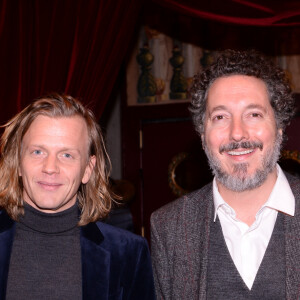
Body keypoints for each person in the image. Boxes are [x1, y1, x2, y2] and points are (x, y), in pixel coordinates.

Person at [151, 50, 300, 299]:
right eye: (220, 117)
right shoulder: (169, 227)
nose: (237, 134)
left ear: (280, 127)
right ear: (202, 134)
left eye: (253, 114)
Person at [0, 94, 156, 300]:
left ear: (87, 169)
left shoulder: (128, 254)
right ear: (18, 161)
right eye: (38, 152)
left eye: (66, 155)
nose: (50, 168)